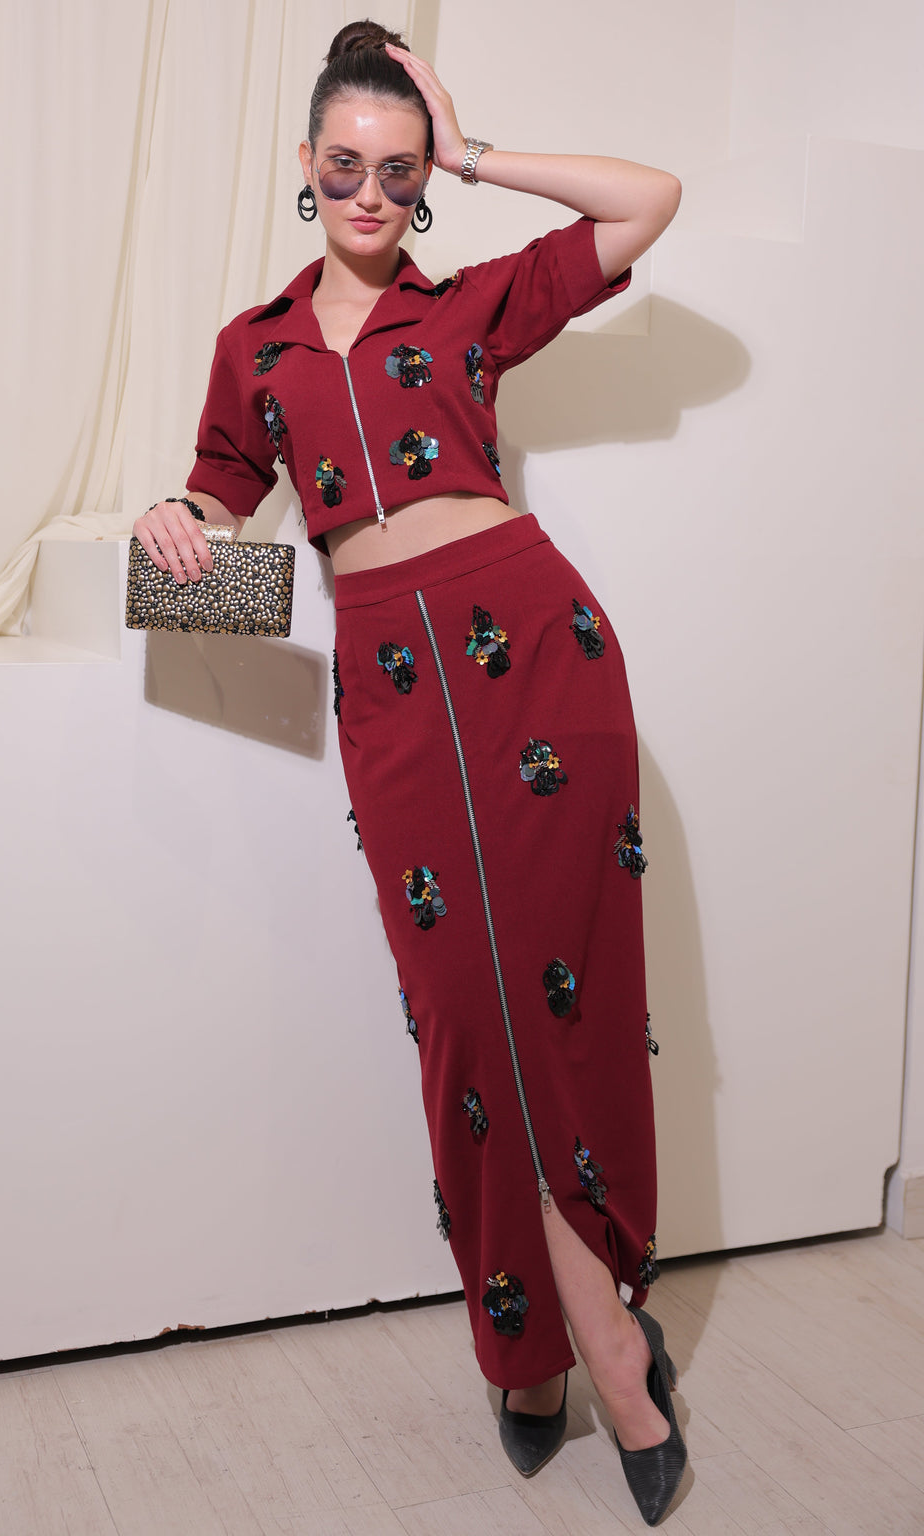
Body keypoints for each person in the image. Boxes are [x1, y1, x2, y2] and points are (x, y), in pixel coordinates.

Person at [133, 20, 686, 1526]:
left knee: (567, 990)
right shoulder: (255, 345)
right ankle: (547, 1332)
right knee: (464, 1021)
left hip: (536, 652)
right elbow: (217, 483)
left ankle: (595, 1349)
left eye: (399, 168)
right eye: (344, 168)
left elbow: (647, 202)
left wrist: (482, 145)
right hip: (383, 677)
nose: (371, 193)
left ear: (421, 175)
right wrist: (172, 521)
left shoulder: (476, 308)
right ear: (306, 173)